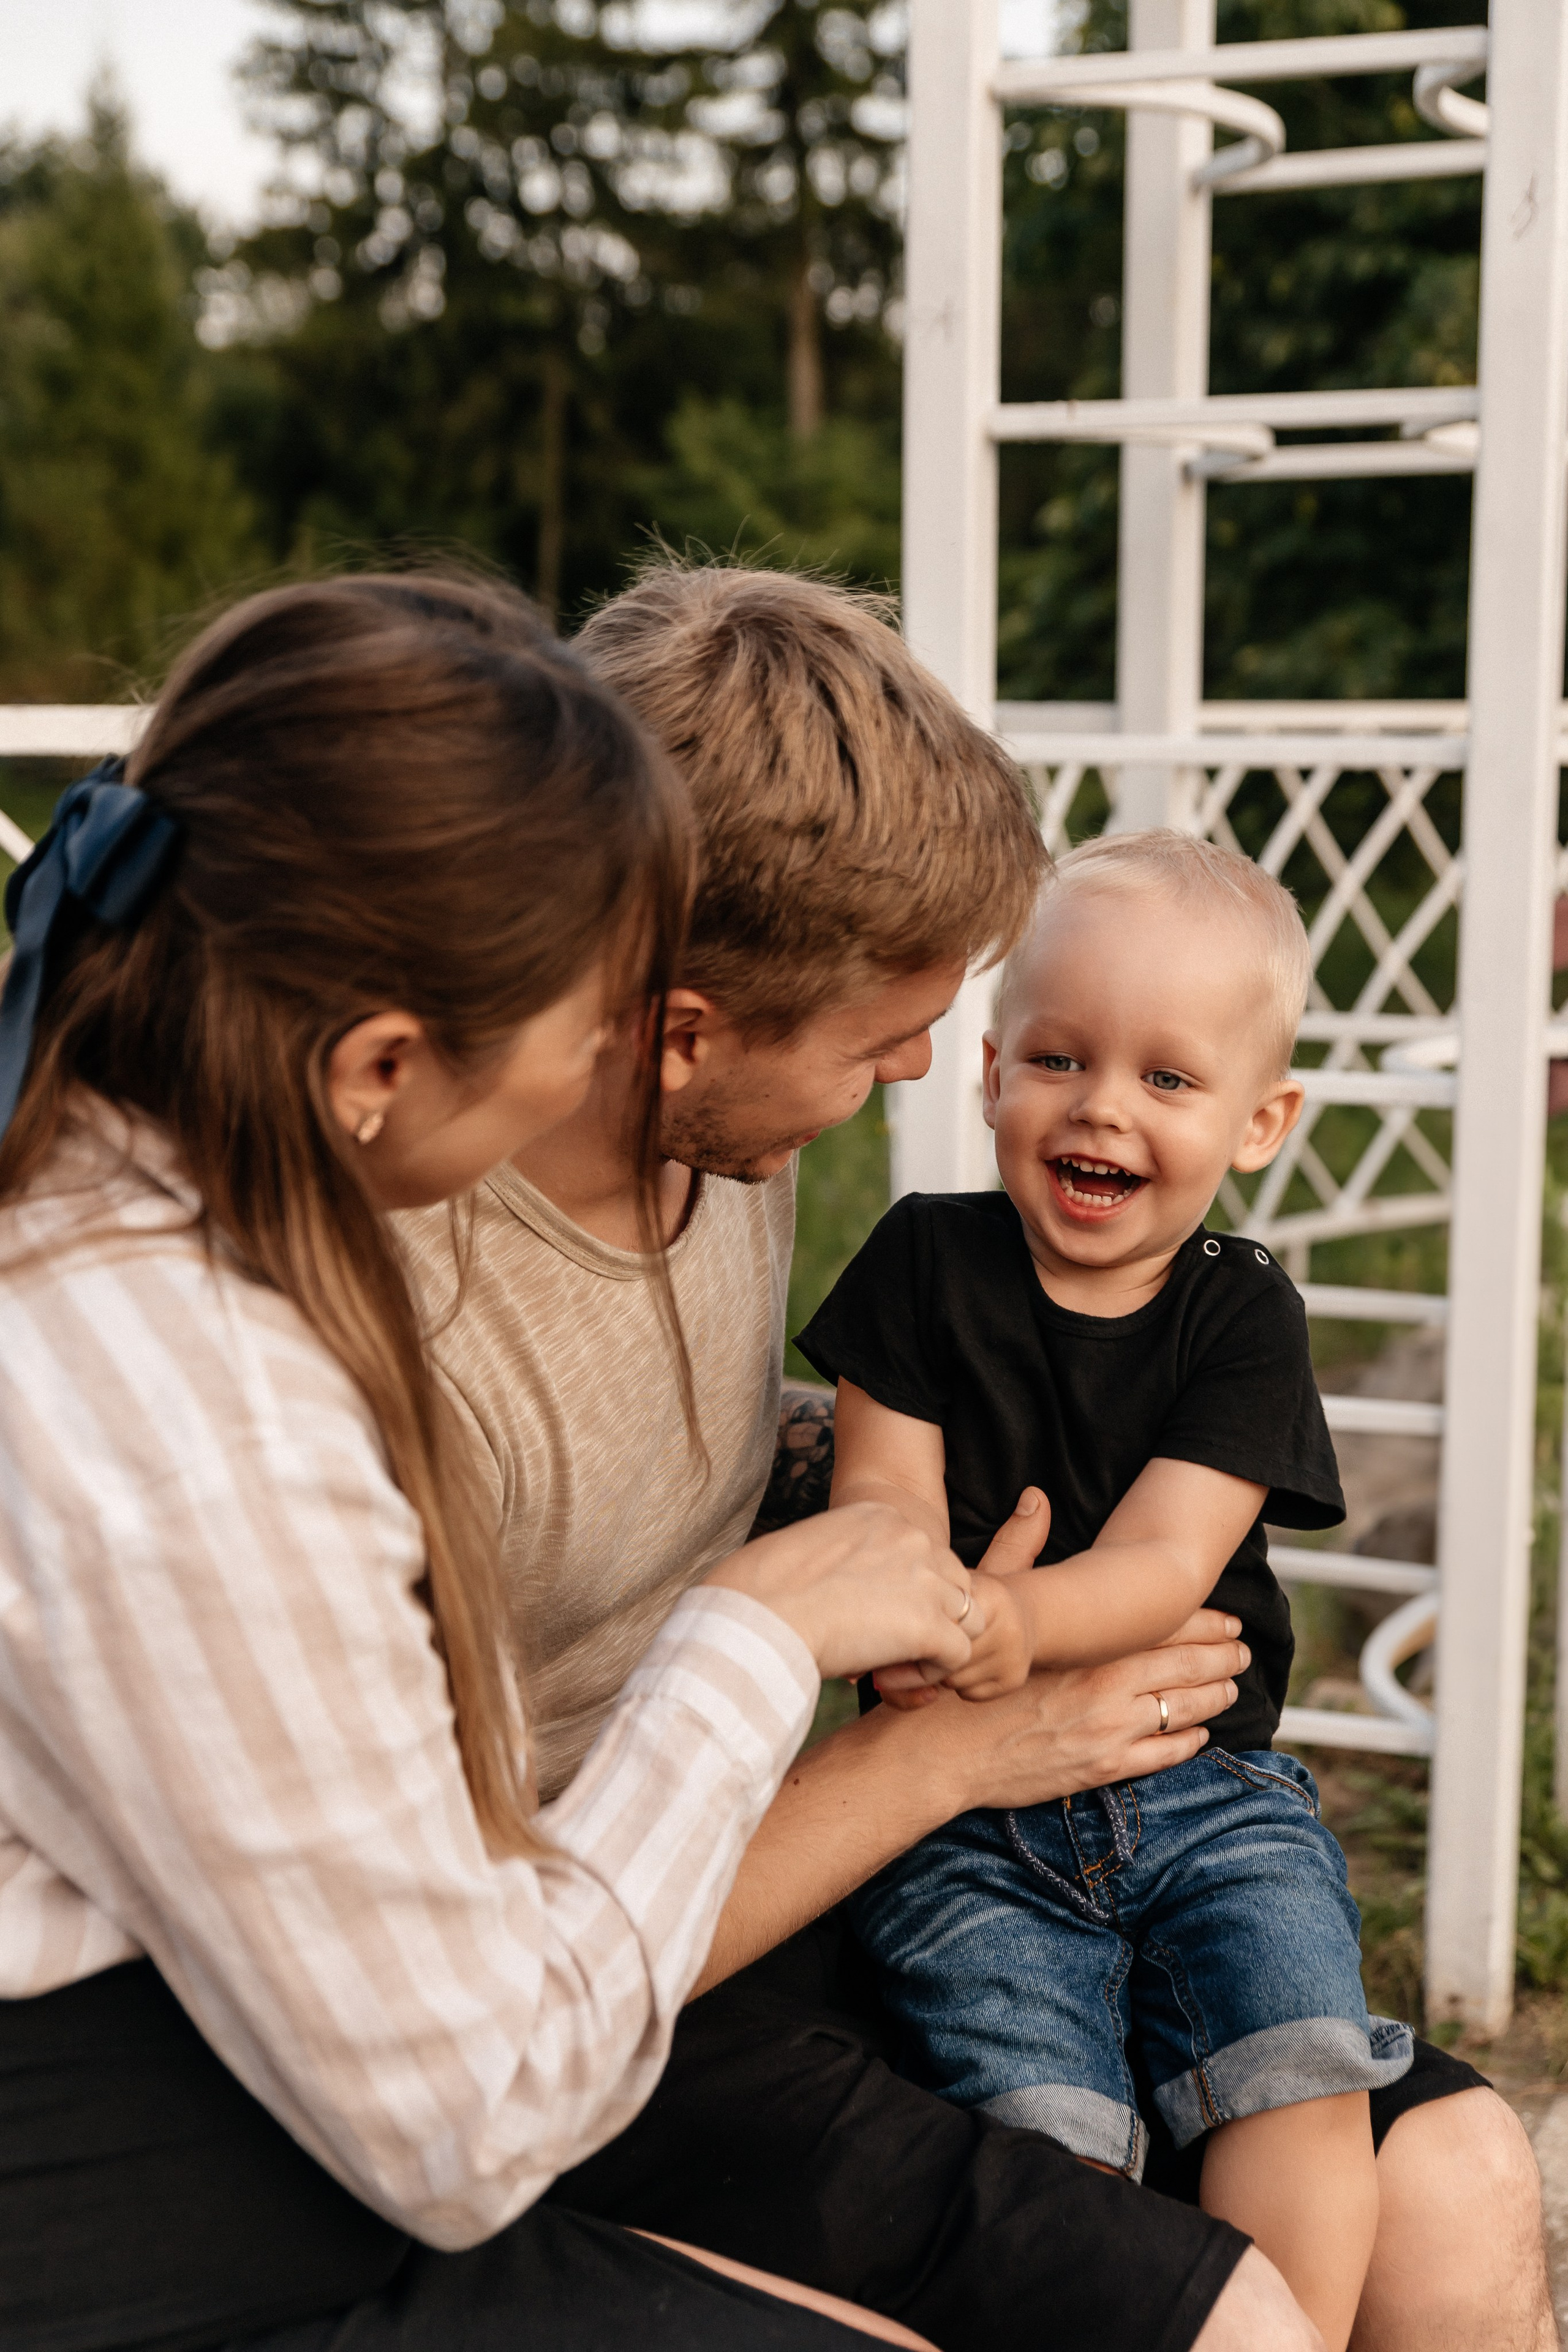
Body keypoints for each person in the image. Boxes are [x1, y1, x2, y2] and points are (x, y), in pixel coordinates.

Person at [402, 559, 1553, 2352]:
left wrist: (958, 1564)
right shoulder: (415, 1334)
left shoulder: (731, 1145)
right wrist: (965, 1735)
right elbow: (463, 1979)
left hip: (869, 1812)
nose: (927, 1066)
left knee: (1459, 2180)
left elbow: (825, 1459)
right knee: (1208, 2307)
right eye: (887, 1035)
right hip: (638, 1971)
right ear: (685, 1029)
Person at [0, 570, 1009, 2352]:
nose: (597, 1076)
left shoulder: (109, 1167)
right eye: (579, 1026)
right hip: (140, 2194)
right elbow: (480, 2107)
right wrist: (753, 1638)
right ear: (383, 1063)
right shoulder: (205, 1429)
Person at [802, 832, 1408, 2351]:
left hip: (1199, 1786)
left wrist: (995, 1625)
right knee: (1031, 2115)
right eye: (1059, 1059)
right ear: (990, 1073)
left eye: (1166, 1078)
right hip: (962, 1817)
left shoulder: (1239, 1313)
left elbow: (1161, 1565)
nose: (1100, 1107)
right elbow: (880, 1502)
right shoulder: (922, 1260)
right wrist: (910, 1615)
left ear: (1257, 1123)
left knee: (1293, 2052)